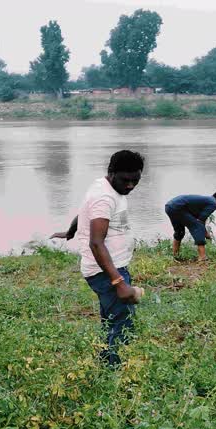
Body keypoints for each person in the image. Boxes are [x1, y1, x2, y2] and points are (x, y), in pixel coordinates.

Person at [75, 150, 145, 366]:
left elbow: (86, 213)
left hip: (112, 268)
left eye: (136, 180)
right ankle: (114, 371)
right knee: (123, 322)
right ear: (111, 172)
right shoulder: (105, 196)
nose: (131, 186)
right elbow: (96, 243)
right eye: (126, 180)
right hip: (105, 271)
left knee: (111, 320)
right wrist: (118, 282)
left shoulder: (106, 188)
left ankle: (106, 361)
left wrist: (72, 229)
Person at [164, 191, 216, 261]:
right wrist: (205, 233)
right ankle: (202, 257)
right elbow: (200, 221)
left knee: (179, 231)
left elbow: (200, 218)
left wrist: (205, 232)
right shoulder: (213, 203)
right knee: (197, 227)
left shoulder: (208, 200)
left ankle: (175, 256)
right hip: (178, 207)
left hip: (169, 206)